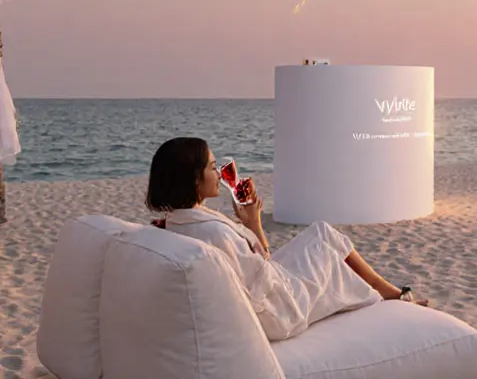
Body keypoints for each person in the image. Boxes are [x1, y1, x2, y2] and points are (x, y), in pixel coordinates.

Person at [146, 137, 430, 341]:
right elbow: (264, 273)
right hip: (280, 311)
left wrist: (248, 225)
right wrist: (254, 224)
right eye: (212, 167)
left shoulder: (177, 223)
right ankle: (392, 295)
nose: (219, 174)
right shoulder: (214, 232)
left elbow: (255, 269)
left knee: (321, 232)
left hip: (265, 295)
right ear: (194, 179)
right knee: (327, 242)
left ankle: (389, 293)